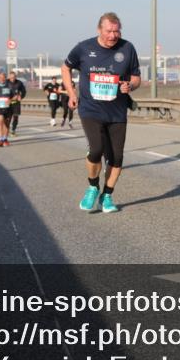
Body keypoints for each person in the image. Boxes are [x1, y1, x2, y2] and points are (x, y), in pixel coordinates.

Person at [62, 12, 141, 214]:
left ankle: (107, 195)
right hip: (90, 109)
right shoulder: (84, 48)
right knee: (96, 150)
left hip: (116, 111)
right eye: (109, 31)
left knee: (117, 157)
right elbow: (65, 67)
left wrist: (130, 86)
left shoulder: (127, 48)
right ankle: (92, 186)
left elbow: (136, 78)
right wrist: (71, 92)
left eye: (116, 31)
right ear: (99, 29)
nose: (113, 35)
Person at [0, 69, 15, 147]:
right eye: (0, 77)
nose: (1, 79)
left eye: (3, 77)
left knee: (6, 124)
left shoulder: (10, 86)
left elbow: (16, 96)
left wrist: (10, 100)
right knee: (0, 121)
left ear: (5, 78)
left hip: (8, 108)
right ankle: (0, 139)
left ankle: (5, 139)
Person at [7, 71, 27, 136]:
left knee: (16, 117)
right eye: (11, 77)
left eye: (14, 77)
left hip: (16, 103)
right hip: (8, 103)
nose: (13, 79)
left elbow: (23, 91)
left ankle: (13, 130)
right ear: (9, 77)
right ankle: (6, 129)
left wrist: (21, 96)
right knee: (8, 118)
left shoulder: (19, 83)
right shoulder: (6, 82)